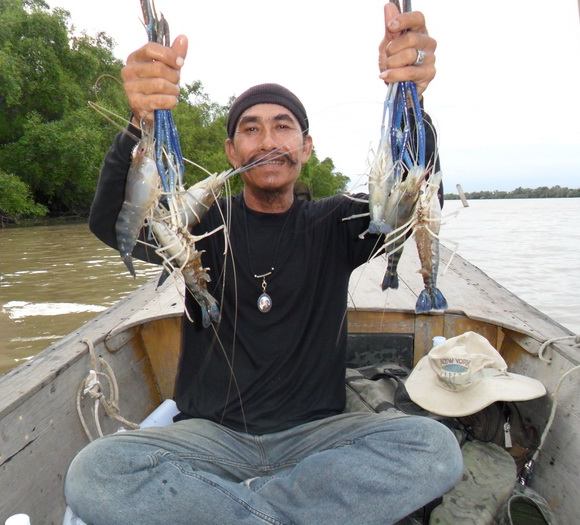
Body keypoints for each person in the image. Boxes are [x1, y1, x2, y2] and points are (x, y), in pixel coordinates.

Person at [65, 3, 462, 524]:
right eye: (251, 130)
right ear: (232, 152)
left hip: (317, 434)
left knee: (434, 448)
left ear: (306, 145)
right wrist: (139, 120)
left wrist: (412, 99)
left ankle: (232, 512)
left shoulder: (339, 222)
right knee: (94, 471)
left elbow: (412, 188)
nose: (268, 141)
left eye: (283, 127)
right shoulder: (196, 226)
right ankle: (291, 512)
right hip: (210, 437)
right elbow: (111, 224)